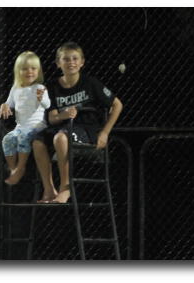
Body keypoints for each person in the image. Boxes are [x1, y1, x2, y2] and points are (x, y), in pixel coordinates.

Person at [32, 42, 123, 203]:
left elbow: (117, 105)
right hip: (61, 128)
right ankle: (49, 190)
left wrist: (105, 132)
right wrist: (63, 115)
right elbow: (52, 118)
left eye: (75, 58)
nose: (71, 62)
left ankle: (65, 189)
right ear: (58, 63)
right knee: (37, 142)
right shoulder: (52, 87)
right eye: (66, 59)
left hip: (86, 131)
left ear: (82, 62)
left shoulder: (90, 83)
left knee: (60, 138)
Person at [0, 51, 50, 185]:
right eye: (25, 69)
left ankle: (21, 168)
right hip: (20, 127)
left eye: (33, 68)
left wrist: (41, 98)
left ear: (38, 71)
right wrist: (4, 105)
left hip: (37, 126)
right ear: (18, 71)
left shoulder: (39, 87)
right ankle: (13, 169)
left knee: (23, 137)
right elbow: (9, 104)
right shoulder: (16, 88)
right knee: (7, 139)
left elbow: (48, 104)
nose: (29, 72)